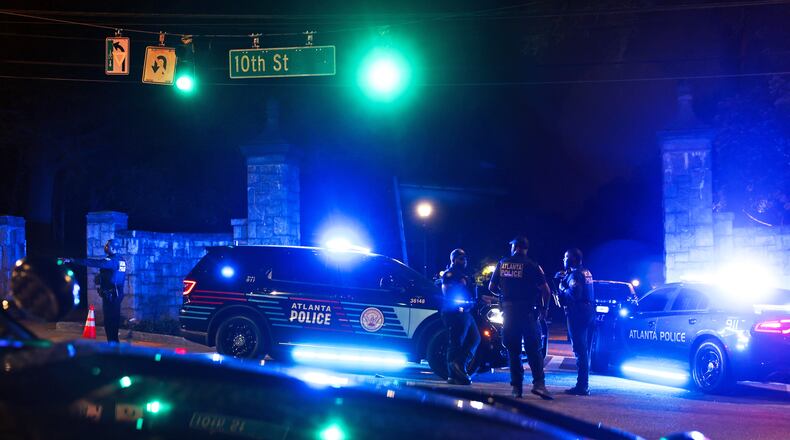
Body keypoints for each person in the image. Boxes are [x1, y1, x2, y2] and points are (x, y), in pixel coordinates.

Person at [488, 236, 553, 399]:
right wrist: (544, 308)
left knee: (513, 351)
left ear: (514, 247)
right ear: (525, 249)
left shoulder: (503, 263)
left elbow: (492, 287)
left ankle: (516, 388)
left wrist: (504, 295)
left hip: (509, 313)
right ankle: (539, 384)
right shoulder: (533, 265)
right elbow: (546, 291)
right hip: (528, 313)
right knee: (533, 350)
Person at [66, 239, 127, 343]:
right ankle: (114, 345)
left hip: (111, 295)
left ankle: (113, 346)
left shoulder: (111, 261)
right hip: (116, 294)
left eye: (107, 246)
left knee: (109, 322)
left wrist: (72, 260)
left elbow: (93, 262)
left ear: (112, 248)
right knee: (114, 321)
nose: (106, 248)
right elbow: (113, 276)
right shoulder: (121, 259)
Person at [440, 248, 480, 385]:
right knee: (456, 343)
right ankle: (452, 375)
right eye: (461, 259)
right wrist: (458, 307)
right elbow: (447, 292)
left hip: (466, 312)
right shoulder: (450, 274)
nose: (464, 261)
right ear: (454, 259)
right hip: (455, 313)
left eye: (465, 259)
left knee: (475, 338)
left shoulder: (464, 274)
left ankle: (459, 364)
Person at [558, 248, 595, 396]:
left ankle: (582, 386)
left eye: (565, 257)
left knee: (580, 350)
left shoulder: (575, 274)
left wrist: (562, 287)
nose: (563, 259)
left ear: (572, 259)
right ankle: (583, 384)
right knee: (585, 351)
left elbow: (574, 293)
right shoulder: (586, 271)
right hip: (589, 312)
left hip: (578, 314)